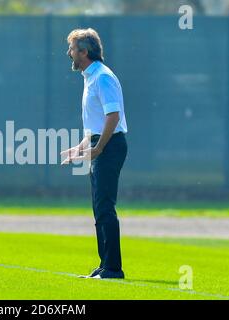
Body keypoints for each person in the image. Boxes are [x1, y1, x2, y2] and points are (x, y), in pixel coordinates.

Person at [61, 29, 128, 279]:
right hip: (101, 143)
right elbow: (96, 122)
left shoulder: (102, 78)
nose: (69, 54)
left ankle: (113, 268)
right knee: (98, 207)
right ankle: (104, 264)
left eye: (72, 49)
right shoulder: (90, 77)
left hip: (110, 146)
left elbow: (113, 116)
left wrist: (99, 148)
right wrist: (80, 147)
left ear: (84, 52)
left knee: (105, 206)